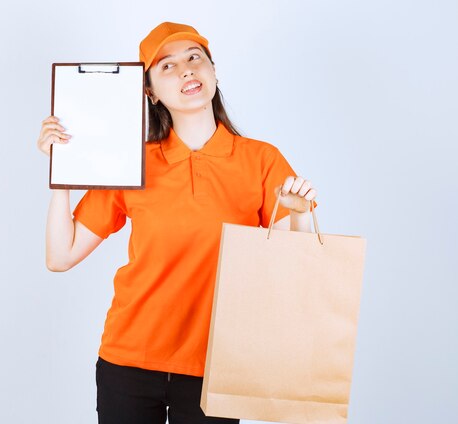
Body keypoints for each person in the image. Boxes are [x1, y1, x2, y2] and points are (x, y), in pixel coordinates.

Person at [37, 22, 317, 424]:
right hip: (128, 360)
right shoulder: (131, 162)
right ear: (149, 91)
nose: (186, 71)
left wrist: (301, 214)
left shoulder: (261, 160)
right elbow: (60, 256)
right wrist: (59, 174)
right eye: (167, 66)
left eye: (194, 59)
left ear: (213, 73)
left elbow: (299, 267)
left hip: (216, 366)